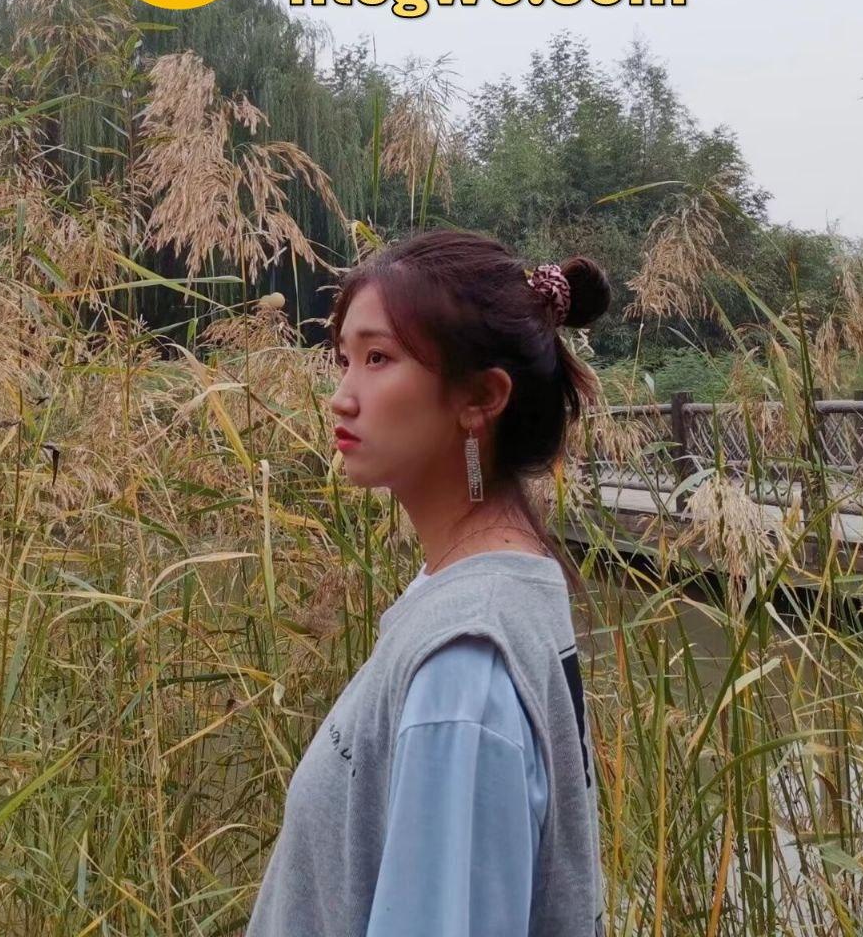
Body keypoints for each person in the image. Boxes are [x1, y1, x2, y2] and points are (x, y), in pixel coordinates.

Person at [245, 228, 609, 937]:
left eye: (378, 358)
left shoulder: (464, 665)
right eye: (343, 360)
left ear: (481, 397)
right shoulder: (499, 587)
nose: (341, 399)